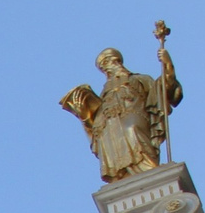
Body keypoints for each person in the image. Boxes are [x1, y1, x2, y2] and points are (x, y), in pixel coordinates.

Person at [60, 45, 181, 182]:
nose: (105, 69)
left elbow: (164, 89)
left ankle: (148, 168)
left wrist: (167, 64)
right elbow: (95, 126)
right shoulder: (104, 94)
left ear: (116, 61)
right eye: (102, 67)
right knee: (110, 141)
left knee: (133, 130)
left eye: (106, 63)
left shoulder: (140, 79)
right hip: (110, 126)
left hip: (135, 116)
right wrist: (83, 114)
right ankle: (122, 174)